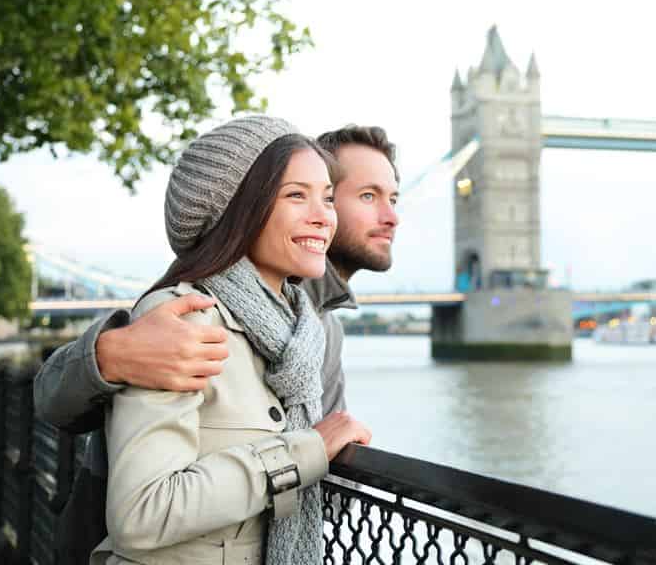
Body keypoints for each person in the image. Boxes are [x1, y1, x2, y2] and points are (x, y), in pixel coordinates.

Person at [33, 122, 401, 563]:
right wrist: (108, 355)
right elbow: (58, 406)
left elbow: (328, 479)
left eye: (325, 194)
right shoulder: (191, 311)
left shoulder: (314, 329)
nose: (390, 216)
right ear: (244, 204)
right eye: (365, 195)